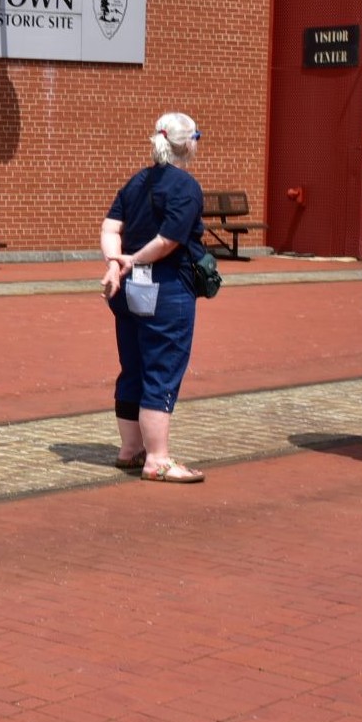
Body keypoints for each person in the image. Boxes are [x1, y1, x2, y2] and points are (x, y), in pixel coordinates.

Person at [99, 112, 210, 484]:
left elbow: (111, 226)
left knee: (133, 365)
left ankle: (131, 450)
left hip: (128, 290)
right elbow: (168, 241)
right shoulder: (186, 187)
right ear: (188, 143)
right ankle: (158, 459)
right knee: (161, 369)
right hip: (167, 290)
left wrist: (116, 263)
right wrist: (131, 259)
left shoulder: (136, 182)